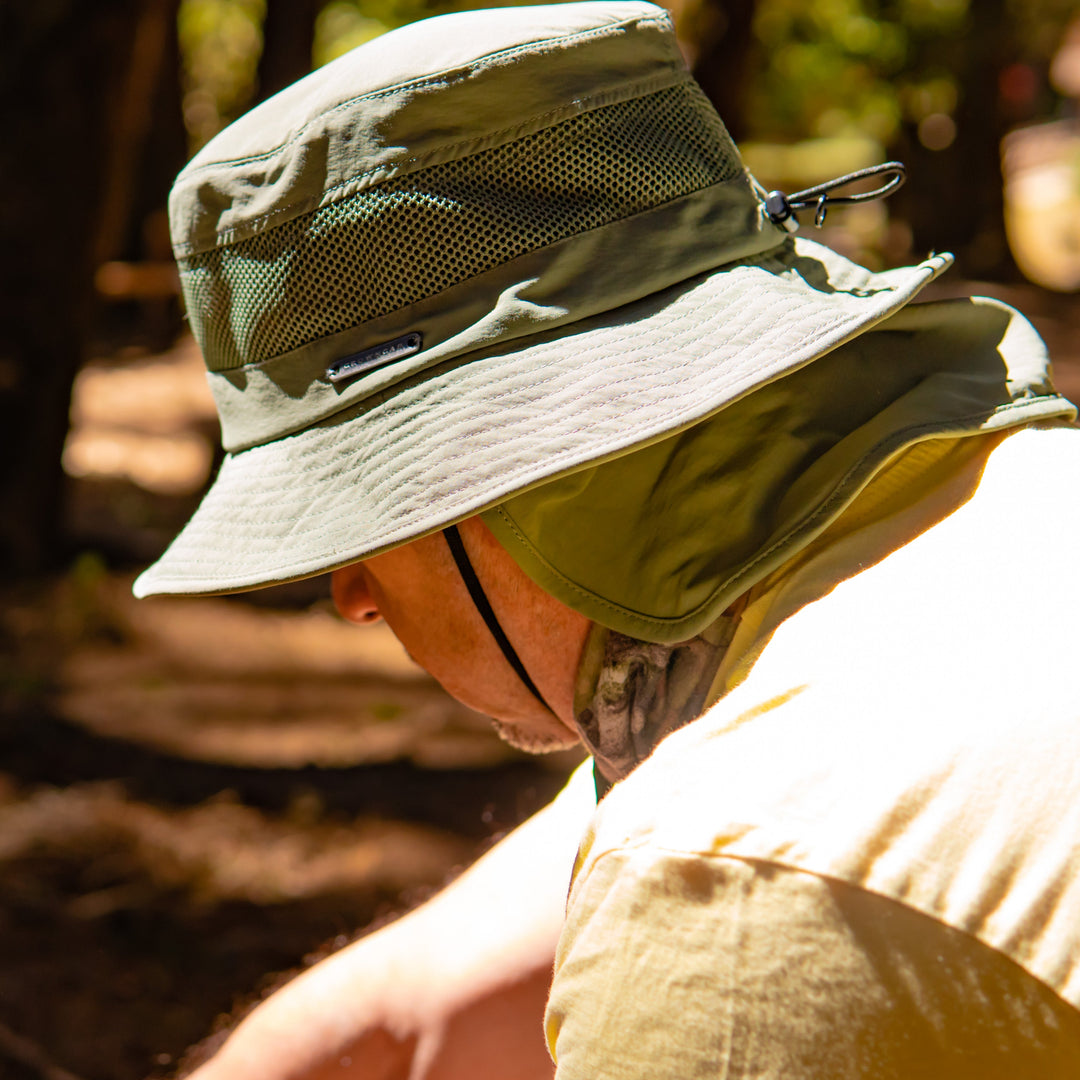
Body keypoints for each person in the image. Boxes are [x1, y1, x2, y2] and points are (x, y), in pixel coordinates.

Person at [135, 3, 1080, 1076]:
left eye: (366, 517)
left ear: (500, 488)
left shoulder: (733, 885)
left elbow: (720, 876)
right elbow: (413, 1008)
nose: (352, 593)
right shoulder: (950, 545)